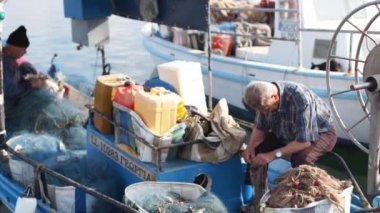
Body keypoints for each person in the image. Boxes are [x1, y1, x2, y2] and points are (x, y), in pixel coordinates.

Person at [241, 80, 337, 210]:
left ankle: (300, 202)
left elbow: (304, 141)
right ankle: (257, 200)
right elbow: (260, 127)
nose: (263, 113)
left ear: (275, 97)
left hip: (320, 134)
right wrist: (250, 147)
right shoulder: (264, 99)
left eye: (265, 109)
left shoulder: (300, 99)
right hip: (286, 130)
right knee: (256, 152)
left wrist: (271, 155)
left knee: (301, 160)